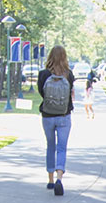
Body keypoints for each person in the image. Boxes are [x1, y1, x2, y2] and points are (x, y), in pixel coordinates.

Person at [37, 46, 75, 196]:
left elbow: (42, 93)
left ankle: (50, 179)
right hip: (64, 115)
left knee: (50, 146)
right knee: (62, 148)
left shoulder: (43, 74)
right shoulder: (69, 74)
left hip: (47, 115)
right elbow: (70, 92)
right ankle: (60, 177)